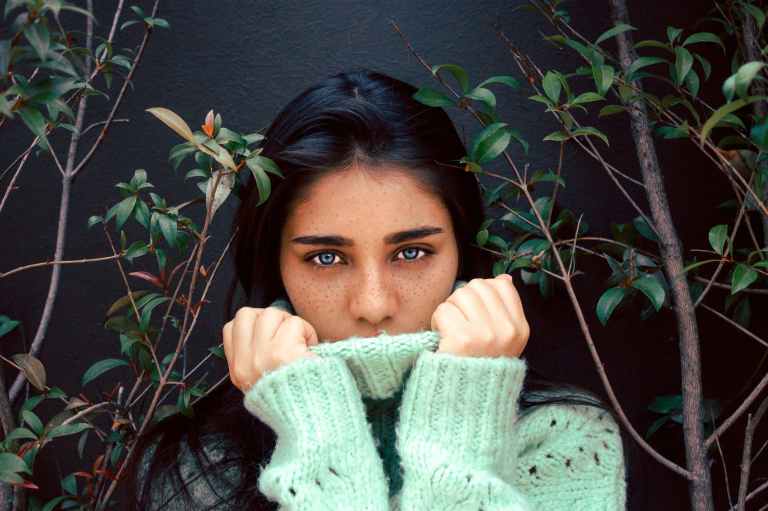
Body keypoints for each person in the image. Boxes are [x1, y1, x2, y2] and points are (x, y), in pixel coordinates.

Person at [125, 68, 630, 510]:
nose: (373, 305)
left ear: (461, 249)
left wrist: (462, 414)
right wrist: (316, 435)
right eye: (326, 258)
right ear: (275, 264)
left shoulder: (562, 439)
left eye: (411, 253)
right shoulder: (197, 465)